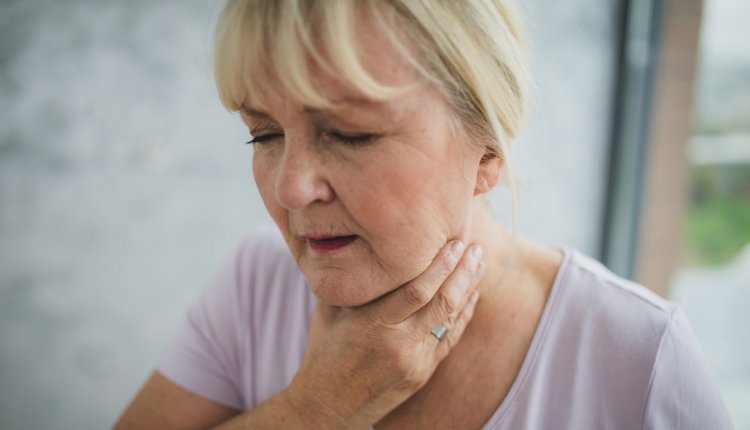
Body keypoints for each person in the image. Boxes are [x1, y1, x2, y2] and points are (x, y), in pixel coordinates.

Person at [115, 0, 732, 429]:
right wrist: (315, 410)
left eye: (350, 135)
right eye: (264, 134)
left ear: (487, 153)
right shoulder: (257, 283)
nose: (292, 187)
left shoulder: (640, 359)